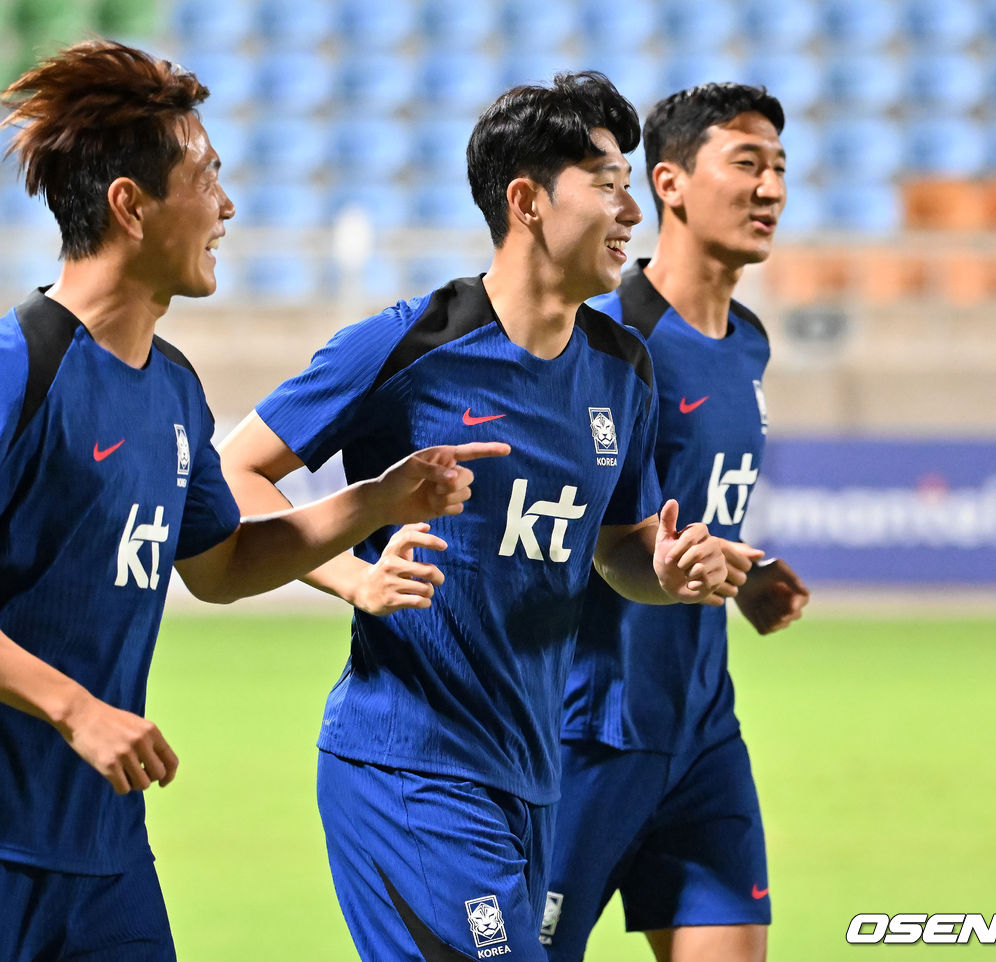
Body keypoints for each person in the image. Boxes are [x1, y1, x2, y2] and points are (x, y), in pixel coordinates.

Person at [0, 40, 506, 962]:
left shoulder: (175, 389)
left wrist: (371, 502)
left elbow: (222, 567)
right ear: (130, 204)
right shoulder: (16, 370)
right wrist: (77, 709)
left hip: (106, 856)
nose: (227, 207)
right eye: (207, 178)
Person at [217, 71, 729, 962]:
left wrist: (670, 571)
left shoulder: (623, 368)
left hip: (532, 781)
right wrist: (353, 576)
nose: (631, 211)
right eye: (606, 185)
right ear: (527, 201)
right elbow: (237, 474)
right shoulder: (412, 344)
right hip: (407, 771)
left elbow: (615, 551)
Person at [541, 83, 811, 962]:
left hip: (700, 727)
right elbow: (569, 522)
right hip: (590, 731)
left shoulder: (749, 341)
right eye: (746, 163)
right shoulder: (606, 336)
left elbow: (690, 508)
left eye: (778, 166)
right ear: (670, 182)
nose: (770, 187)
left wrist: (746, 576)